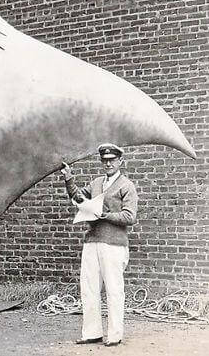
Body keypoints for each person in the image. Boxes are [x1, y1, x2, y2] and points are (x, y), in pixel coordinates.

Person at [60, 143, 138, 347]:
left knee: (113, 289)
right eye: (105, 160)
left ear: (120, 161)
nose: (108, 163)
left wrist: (106, 215)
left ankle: (114, 335)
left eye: (112, 160)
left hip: (113, 244)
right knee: (89, 288)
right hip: (92, 241)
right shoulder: (95, 183)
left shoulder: (126, 185)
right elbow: (79, 198)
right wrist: (69, 179)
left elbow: (130, 216)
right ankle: (92, 332)